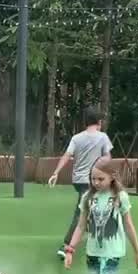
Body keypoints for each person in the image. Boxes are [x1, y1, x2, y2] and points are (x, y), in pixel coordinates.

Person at [48, 106, 113, 257]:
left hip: (78, 180)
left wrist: (56, 173)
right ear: (99, 122)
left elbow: (66, 155)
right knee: (82, 212)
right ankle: (66, 246)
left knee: (93, 207)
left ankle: (96, 237)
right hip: (92, 180)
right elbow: (107, 158)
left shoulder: (76, 138)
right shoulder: (102, 137)